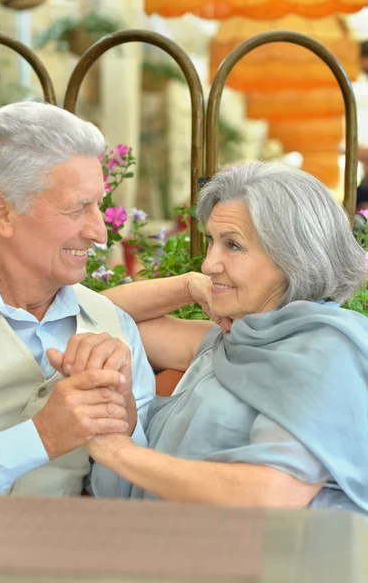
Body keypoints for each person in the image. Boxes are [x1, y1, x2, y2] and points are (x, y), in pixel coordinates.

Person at [89, 161, 368, 513]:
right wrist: (189, 285)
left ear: (292, 257)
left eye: (233, 245)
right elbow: (100, 317)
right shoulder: (232, 341)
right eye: (211, 241)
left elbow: (268, 495)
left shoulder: (327, 350)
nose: (209, 263)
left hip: (268, 563)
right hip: (184, 554)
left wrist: (115, 451)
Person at [0, 101, 155, 496]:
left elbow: (128, 500)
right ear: (3, 213)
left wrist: (121, 423)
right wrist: (42, 437)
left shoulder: (113, 326)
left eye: (99, 205)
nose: (100, 232)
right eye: (77, 208)